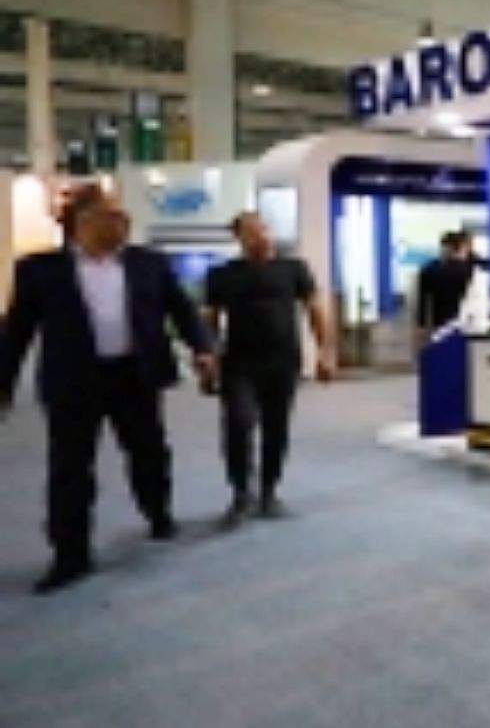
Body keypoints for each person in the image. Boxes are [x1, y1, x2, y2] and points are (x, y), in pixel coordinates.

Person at [0, 184, 215, 593]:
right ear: (84, 222)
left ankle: (158, 511)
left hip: (134, 376)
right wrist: (4, 383)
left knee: (149, 452)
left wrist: (203, 348)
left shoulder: (149, 263)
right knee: (70, 470)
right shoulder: (40, 270)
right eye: (114, 215)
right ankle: (70, 554)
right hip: (73, 381)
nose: (124, 222)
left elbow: (182, 310)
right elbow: (16, 333)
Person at [203, 212, 333, 525]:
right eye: (251, 232)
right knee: (238, 423)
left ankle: (269, 491)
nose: (260, 236)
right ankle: (240, 492)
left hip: (283, 361)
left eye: (263, 229)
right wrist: (208, 358)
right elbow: (210, 319)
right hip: (239, 364)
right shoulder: (223, 274)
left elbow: (315, 309)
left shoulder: (294, 269)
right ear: (239, 238)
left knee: (276, 427)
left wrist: (325, 352)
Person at [414, 231, 480, 345]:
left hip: (440, 325)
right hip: (467, 324)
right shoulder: (472, 270)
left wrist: (421, 325)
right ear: (463, 247)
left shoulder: (429, 269)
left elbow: (422, 300)